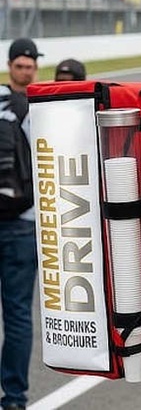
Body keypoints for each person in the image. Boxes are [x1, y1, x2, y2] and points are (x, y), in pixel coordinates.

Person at [0, 38, 39, 410]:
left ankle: (13, 397)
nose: (26, 71)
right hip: (24, 224)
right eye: (22, 66)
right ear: (12, 65)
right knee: (17, 315)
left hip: (21, 224)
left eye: (30, 66)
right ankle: (14, 398)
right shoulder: (34, 110)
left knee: (16, 315)